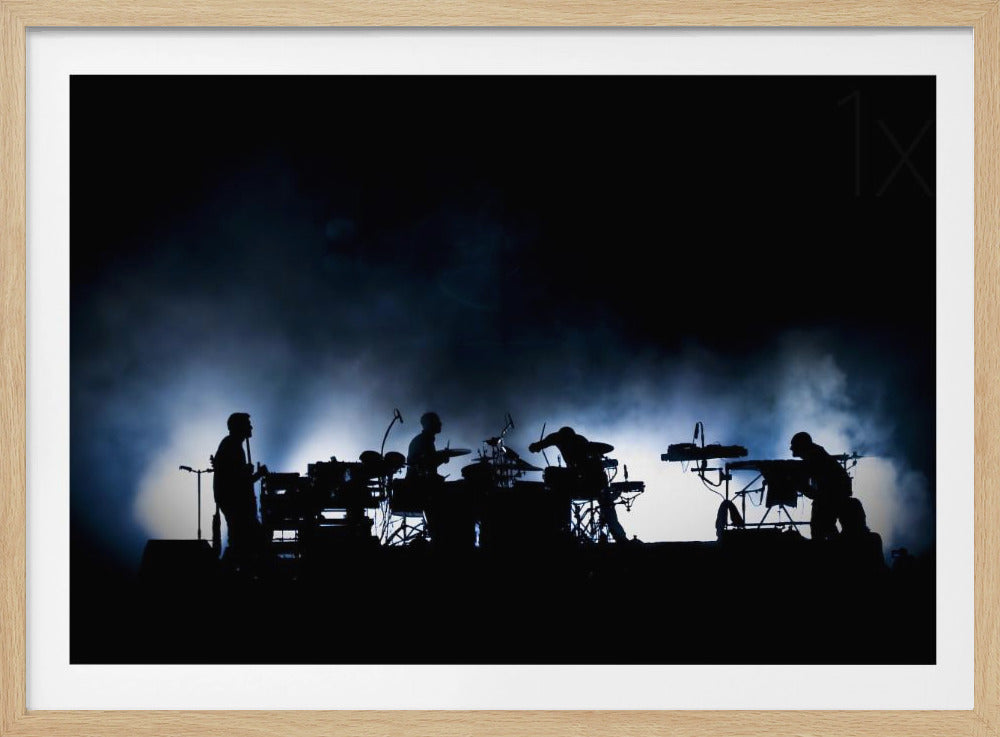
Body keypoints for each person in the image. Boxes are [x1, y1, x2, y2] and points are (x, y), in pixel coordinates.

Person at [529, 426, 630, 544]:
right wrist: (537, 446)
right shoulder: (558, 438)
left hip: (594, 483)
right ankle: (561, 531)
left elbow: (537, 446)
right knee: (562, 492)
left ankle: (620, 538)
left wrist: (536, 446)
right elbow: (539, 445)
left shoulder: (578, 443)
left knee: (606, 505)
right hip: (578, 482)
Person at [405, 411, 473, 548]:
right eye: (437, 421)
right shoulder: (423, 441)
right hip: (421, 487)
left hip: (422, 484)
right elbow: (424, 465)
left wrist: (441, 458)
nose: (441, 424)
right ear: (430, 424)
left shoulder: (424, 440)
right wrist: (442, 458)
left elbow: (427, 463)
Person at [212, 412, 267, 572]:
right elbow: (237, 483)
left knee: (240, 543)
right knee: (247, 542)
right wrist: (258, 474)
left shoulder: (231, 445)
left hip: (233, 503)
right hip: (236, 504)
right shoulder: (232, 447)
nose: (251, 427)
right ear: (239, 426)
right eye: (247, 424)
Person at [789, 431, 852, 541]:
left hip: (833, 493)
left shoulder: (814, 457)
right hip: (835, 492)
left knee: (821, 525)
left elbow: (814, 489)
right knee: (825, 525)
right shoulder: (816, 454)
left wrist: (798, 485)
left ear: (802, 445)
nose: (791, 448)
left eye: (793, 445)